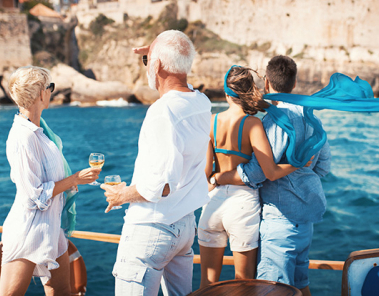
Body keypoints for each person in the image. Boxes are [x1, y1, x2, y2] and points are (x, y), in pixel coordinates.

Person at [100, 30, 211, 296]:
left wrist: (121, 195)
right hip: (184, 226)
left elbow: (162, 186)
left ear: (158, 64)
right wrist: (162, 48)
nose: (147, 66)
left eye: (148, 61)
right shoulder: (201, 102)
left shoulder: (163, 111)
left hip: (153, 228)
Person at [214, 56, 331, 296]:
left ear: (266, 83)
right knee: (301, 285)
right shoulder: (313, 120)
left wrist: (221, 177)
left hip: (281, 222)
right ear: (295, 83)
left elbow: (256, 173)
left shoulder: (273, 122)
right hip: (306, 223)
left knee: (273, 291)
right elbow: (322, 168)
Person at [198, 66, 305, 287]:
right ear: (249, 92)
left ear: (226, 93)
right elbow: (271, 173)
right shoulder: (253, 124)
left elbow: (206, 174)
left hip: (212, 206)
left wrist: (214, 182)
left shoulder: (210, 121)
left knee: (206, 285)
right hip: (242, 207)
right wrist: (298, 164)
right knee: (244, 285)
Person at [0, 66, 101, 296]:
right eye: (50, 87)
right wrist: (75, 179)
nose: (52, 92)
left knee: (62, 291)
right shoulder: (22, 137)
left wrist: (73, 181)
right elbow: (33, 196)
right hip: (28, 230)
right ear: (40, 93)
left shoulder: (41, 131)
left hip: (52, 227)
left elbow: (51, 180)